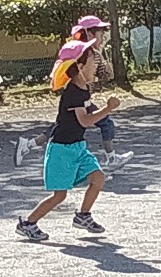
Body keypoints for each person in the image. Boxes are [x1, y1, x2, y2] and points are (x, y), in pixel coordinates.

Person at [16, 38, 121, 241]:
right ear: (79, 67)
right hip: (61, 151)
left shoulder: (83, 89)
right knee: (60, 195)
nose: (96, 66)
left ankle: (83, 216)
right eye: (92, 62)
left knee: (98, 178)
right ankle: (28, 223)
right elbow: (85, 121)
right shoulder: (73, 92)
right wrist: (108, 108)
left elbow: (86, 116)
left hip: (77, 147)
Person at [14, 16, 133, 169]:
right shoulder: (84, 54)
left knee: (64, 125)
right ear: (89, 33)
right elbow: (104, 74)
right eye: (100, 33)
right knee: (102, 123)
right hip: (79, 97)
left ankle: (29, 144)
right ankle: (111, 158)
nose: (103, 37)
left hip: (80, 97)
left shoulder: (84, 52)